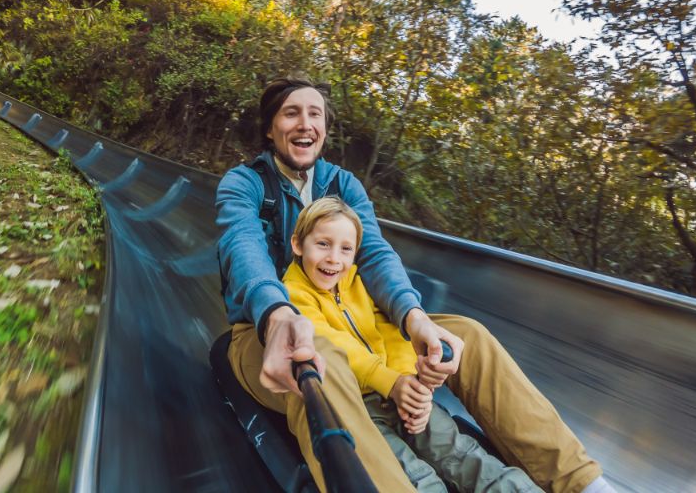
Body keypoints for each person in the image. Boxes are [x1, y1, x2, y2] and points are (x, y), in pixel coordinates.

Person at [216, 77, 615, 493]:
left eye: (314, 114)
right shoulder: (244, 184)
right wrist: (277, 315)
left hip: (363, 323)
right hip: (266, 334)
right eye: (291, 113)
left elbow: (374, 254)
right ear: (270, 128)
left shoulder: (343, 186)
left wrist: (413, 318)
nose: (305, 123)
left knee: (466, 336)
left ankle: (582, 483)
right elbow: (243, 247)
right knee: (319, 357)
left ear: (325, 128)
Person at [284, 196, 543, 492]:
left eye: (346, 249)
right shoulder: (292, 293)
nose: (334, 259)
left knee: (463, 455)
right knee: (415, 477)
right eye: (323, 244)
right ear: (297, 244)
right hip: (360, 407)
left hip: (400, 392)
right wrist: (390, 382)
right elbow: (333, 342)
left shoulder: (356, 282)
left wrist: (411, 384)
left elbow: (389, 328)